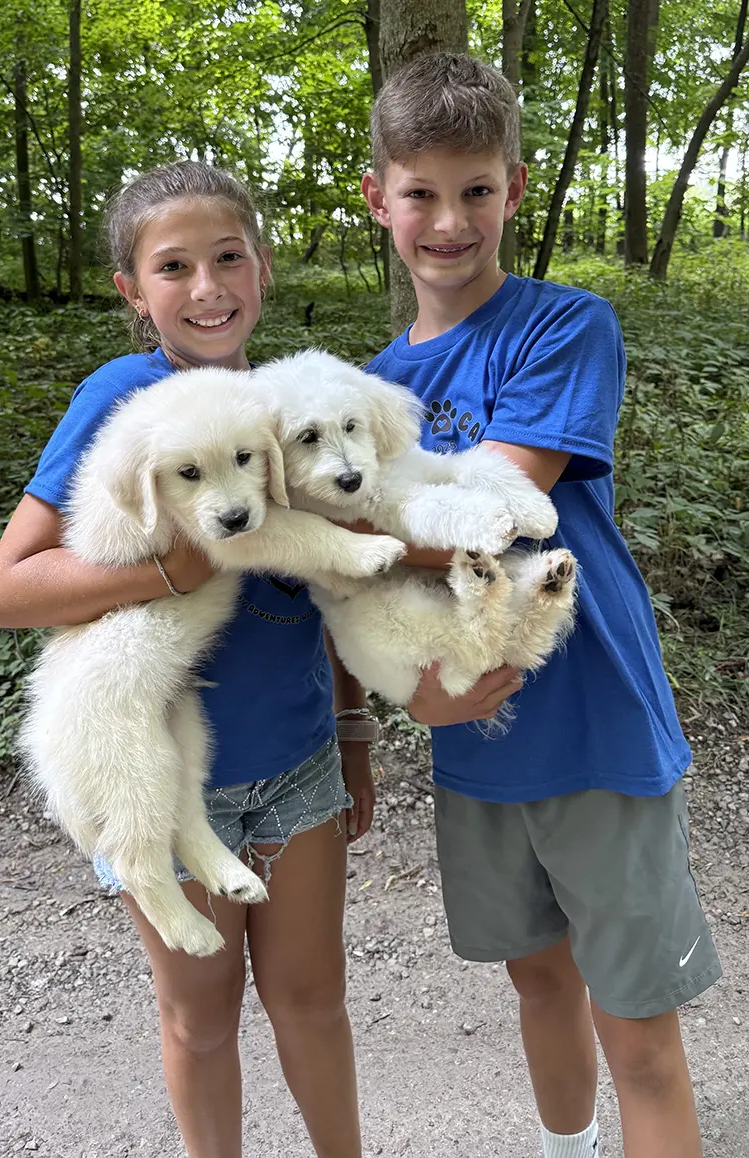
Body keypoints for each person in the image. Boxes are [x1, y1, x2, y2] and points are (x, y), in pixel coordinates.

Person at [0, 159, 520, 1157]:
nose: (207, 287)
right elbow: (9, 590)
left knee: (314, 1003)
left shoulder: (292, 403)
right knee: (198, 1012)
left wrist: (354, 729)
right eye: (173, 267)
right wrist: (177, 568)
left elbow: (333, 580)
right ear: (132, 293)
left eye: (228, 258)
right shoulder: (125, 400)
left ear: (263, 269)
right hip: (175, 769)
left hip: (300, 762)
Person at [361, 54, 721, 1158]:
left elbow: (500, 505)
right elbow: (362, 586)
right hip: (474, 737)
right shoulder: (370, 390)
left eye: (474, 190)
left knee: (640, 1035)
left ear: (512, 190)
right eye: (420, 192)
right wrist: (386, 699)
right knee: (535, 981)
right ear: (377, 197)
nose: (448, 220)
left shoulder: (564, 327)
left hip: (594, 726)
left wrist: (330, 537)